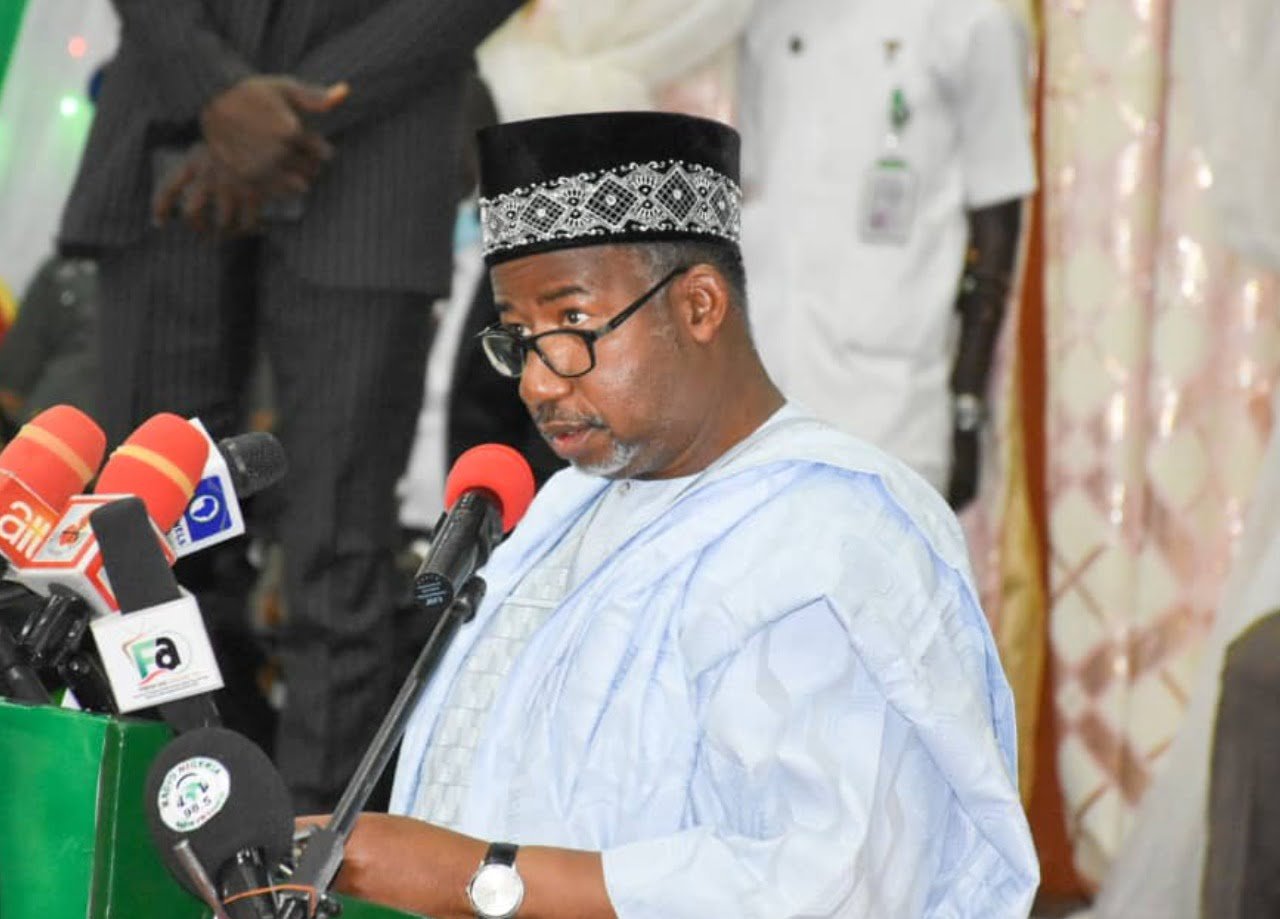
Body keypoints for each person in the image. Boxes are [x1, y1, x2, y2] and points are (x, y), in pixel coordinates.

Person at [300, 111, 1038, 918]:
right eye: (518, 336)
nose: (538, 382)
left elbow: (832, 880)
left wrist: (476, 876)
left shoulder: (831, 536)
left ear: (699, 305)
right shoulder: (570, 503)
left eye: (572, 324)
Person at [57, 0, 521, 812]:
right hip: (169, 114)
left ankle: (307, 858)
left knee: (335, 556)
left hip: (379, 140)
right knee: (139, 547)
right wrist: (214, 91)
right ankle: (146, 826)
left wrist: (280, 113)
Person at [738, 0, 1036, 507]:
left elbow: (998, 214)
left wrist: (967, 404)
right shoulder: (766, 15)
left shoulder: (971, 20)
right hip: (763, 393)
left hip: (891, 405)